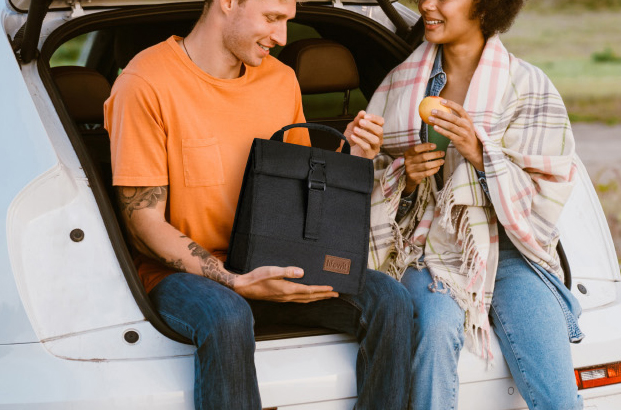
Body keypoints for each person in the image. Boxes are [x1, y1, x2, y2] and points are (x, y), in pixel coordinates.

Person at [104, 0, 415, 408]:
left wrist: (354, 157)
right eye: (272, 18)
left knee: (389, 299)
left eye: (287, 21)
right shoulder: (144, 83)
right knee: (227, 315)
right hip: (181, 277)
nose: (283, 37)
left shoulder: (281, 80)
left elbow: (304, 196)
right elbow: (142, 223)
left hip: (274, 259)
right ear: (228, 3)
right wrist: (235, 281)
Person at [366, 0, 584, 409]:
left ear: (486, 5)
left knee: (558, 392)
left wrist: (481, 154)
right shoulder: (399, 85)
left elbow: (549, 187)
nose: (427, 5)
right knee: (434, 329)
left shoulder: (528, 86)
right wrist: (406, 177)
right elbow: (372, 181)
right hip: (427, 251)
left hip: (512, 256)